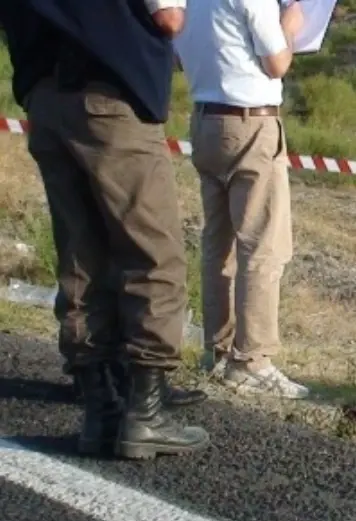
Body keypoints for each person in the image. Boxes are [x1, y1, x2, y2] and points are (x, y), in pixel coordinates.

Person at [0, 0, 210, 458]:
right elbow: (168, 16)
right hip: (110, 95)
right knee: (152, 253)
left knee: (80, 252)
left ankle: (101, 409)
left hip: (45, 94)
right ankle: (145, 412)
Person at [173, 0, 309, 399]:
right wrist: (290, 25)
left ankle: (217, 351)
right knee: (262, 245)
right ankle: (252, 360)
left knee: (219, 244)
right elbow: (277, 63)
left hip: (205, 120)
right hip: (250, 122)